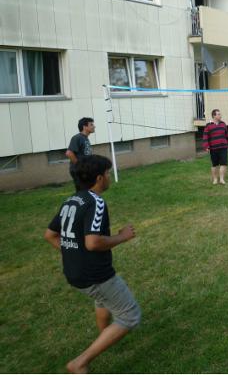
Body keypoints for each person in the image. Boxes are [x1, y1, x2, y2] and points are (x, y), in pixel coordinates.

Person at [44, 155, 141, 374]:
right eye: (107, 173)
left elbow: (50, 235)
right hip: (96, 274)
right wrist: (123, 237)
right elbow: (93, 241)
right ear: (99, 178)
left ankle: (104, 337)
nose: (108, 177)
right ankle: (80, 362)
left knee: (102, 301)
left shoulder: (71, 200)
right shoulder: (96, 202)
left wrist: (71, 253)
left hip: (75, 273)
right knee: (130, 315)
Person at [66, 117, 95, 190]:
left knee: (87, 189)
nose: (94, 126)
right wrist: (80, 166)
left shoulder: (85, 138)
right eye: (91, 125)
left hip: (85, 169)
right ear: (84, 127)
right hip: (79, 170)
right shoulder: (77, 138)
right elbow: (69, 153)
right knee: (83, 191)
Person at [202, 109, 228, 185]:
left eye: (220, 114)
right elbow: (205, 137)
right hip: (213, 148)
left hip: (223, 147)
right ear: (214, 116)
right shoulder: (208, 125)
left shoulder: (223, 124)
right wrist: (206, 146)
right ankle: (215, 179)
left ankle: (221, 179)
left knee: (224, 163)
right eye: (218, 114)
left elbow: (226, 135)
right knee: (214, 164)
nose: (220, 115)